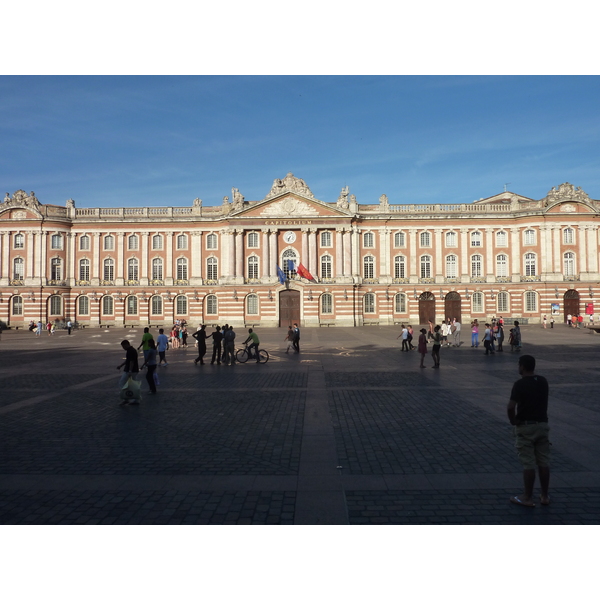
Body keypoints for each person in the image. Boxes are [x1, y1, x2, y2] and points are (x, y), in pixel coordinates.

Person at [507, 354, 550, 507]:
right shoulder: (543, 381)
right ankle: (544, 496)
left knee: (529, 463)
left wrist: (513, 421)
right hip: (542, 424)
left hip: (526, 426)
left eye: (519, 365)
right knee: (543, 461)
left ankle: (527, 497)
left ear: (523, 367)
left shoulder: (519, 384)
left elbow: (511, 407)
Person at [117, 340, 140, 405]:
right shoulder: (131, 350)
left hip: (130, 371)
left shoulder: (131, 351)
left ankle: (126, 398)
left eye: (123, 346)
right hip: (133, 370)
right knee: (133, 384)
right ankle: (135, 399)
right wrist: (121, 365)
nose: (123, 348)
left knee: (122, 382)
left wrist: (130, 371)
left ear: (126, 344)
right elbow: (128, 360)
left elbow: (131, 362)